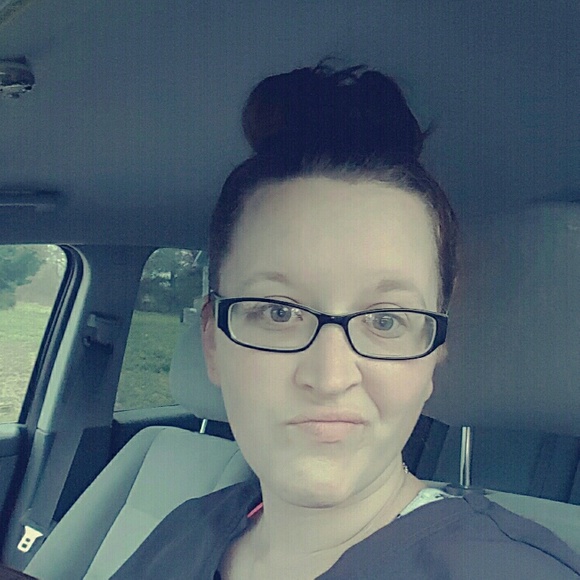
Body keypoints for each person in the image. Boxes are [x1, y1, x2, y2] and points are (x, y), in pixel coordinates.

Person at [112, 64, 580, 579]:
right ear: (212, 343)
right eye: (279, 312)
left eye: (386, 320)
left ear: (432, 357)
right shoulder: (180, 534)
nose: (330, 377)